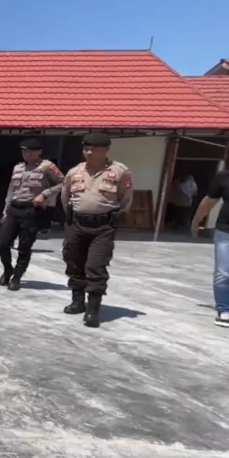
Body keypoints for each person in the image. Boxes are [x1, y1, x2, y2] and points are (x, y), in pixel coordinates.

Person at [60, 133, 133, 328]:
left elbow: (125, 199)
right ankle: (77, 301)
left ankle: (93, 309)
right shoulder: (74, 172)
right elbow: (65, 197)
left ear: (106, 150)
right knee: (74, 261)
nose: (89, 152)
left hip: (103, 226)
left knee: (96, 266)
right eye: (86, 148)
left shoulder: (119, 172)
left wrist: (115, 217)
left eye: (94, 149)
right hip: (76, 224)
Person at [0, 138, 65, 290]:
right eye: (23, 150)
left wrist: (45, 194)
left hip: (31, 210)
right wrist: (5, 209)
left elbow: (64, 182)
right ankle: (8, 269)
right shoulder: (18, 167)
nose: (25, 153)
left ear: (39, 152)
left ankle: (17, 277)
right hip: (14, 208)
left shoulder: (47, 166)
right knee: (3, 243)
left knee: (24, 246)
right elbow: (11, 190)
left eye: (29, 151)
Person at [191, 146, 229, 327]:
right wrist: (196, 222)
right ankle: (226, 309)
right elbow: (209, 201)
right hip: (227, 233)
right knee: (224, 273)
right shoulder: (225, 177)